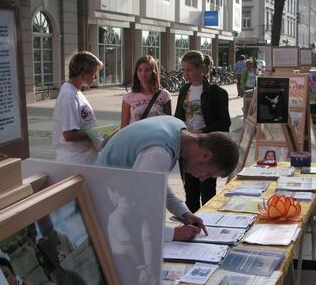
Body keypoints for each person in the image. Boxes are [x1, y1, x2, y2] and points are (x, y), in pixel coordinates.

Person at [96, 116, 238, 241]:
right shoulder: (159, 153)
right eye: (208, 174)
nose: (202, 179)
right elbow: (138, 209)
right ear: (206, 156)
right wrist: (172, 233)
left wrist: (184, 213)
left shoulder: (176, 126)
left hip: (113, 199)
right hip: (103, 209)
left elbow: (156, 183)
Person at [175, 50, 231, 213]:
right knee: (190, 192)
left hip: (206, 148)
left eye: (189, 70)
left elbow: (225, 122)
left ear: (201, 69)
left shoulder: (217, 93)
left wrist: (203, 132)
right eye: (183, 70)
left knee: (207, 192)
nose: (186, 74)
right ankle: (192, 225)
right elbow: (179, 116)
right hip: (187, 148)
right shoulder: (184, 90)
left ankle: (208, 223)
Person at [52, 51, 103, 165]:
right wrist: (95, 132)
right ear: (83, 73)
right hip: (75, 161)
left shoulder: (74, 91)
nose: (95, 77)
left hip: (82, 159)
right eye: (93, 73)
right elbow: (69, 134)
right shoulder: (69, 96)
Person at [121, 55, 171, 128]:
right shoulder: (128, 97)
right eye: (140, 70)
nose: (143, 74)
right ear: (136, 72)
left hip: (157, 137)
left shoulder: (164, 95)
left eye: (147, 70)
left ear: (154, 72)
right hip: (137, 138)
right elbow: (124, 126)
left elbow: (169, 124)